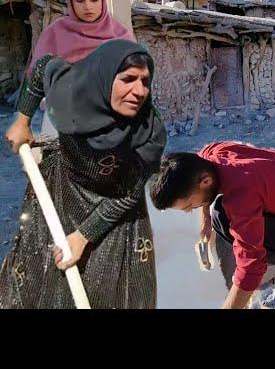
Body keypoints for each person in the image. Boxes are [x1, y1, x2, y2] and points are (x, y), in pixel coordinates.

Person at [1, 40, 167, 308]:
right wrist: (22, 120)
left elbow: (129, 195)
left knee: (107, 290)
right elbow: (43, 67)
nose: (139, 91)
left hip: (114, 207)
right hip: (62, 189)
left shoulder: (150, 132)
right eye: (128, 79)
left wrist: (82, 236)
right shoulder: (72, 88)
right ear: (105, 76)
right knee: (42, 279)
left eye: (145, 81)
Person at [149, 141, 275, 309]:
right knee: (217, 214)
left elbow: (251, 264)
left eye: (189, 205)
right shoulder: (207, 156)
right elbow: (204, 192)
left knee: (223, 216)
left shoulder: (241, 196)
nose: (190, 211)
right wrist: (206, 225)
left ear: (206, 181)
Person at [15, 0, 136, 149]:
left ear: (103, 0)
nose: (88, 6)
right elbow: (37, 78)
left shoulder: (120, 35)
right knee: (56, 169)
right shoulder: (56, 32)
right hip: (61, 119)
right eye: (80, 0)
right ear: (71, 1)